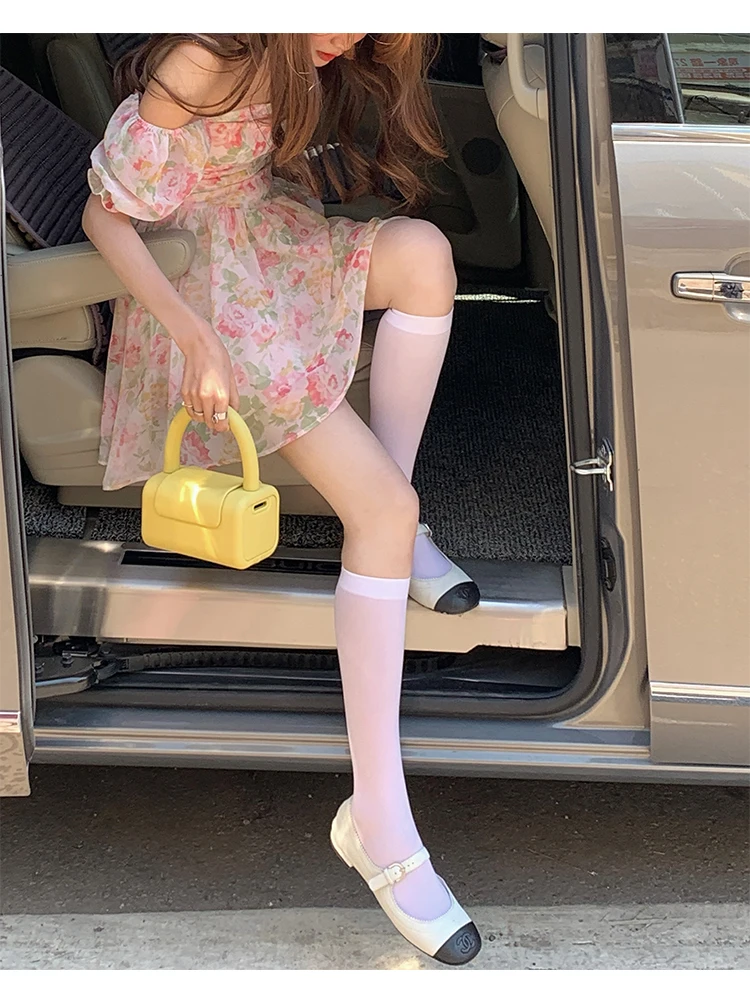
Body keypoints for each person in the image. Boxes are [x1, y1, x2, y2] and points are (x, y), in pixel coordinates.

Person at [82, 33, 482, 965]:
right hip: (201, 295)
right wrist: (193, 338)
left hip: (264, 244)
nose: (349, 38)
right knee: (379, 515)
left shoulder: (297, 53)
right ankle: (379, 823)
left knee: (425, 254)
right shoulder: (205, 57)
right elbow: (105, 218)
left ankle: (397, 518)